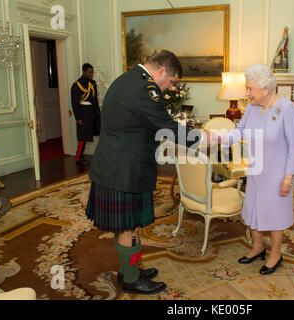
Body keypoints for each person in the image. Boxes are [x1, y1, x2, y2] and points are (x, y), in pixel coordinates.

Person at [85, 50, 210, 295]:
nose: (172, 88)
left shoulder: (129, 79)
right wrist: (205, 137)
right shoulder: (145, 89)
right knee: (128, 228)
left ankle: (130, 269)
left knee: (128, 227)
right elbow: (167, 128)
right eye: (173, 82)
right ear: (161, 70)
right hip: (123, 171)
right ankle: (131, 278)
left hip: (119, 166)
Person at [218, 64, 294, 275]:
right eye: (247, 88)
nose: (247, 93)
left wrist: (288, 179)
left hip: (277, 174)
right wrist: (220, 138)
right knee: (253, 209)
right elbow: (240, 132)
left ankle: (276, 253)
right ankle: (257, 247)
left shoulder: (287, 108)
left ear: (265, 89)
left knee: (275, 214)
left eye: (250, 89)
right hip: (255, 170)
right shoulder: (253, 107)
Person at [71, 63, 101, 165]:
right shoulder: (76, 85)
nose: (91, 74)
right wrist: (78, 118)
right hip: (83, 113)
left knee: (96, 133)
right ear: (84, 72)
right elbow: (75, 104)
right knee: (82, 138)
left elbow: (95, 99)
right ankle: (78, 157)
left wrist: (98, 113)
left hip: (92, 112)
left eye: (92, 72)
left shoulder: (93, 83)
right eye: (89, 72)